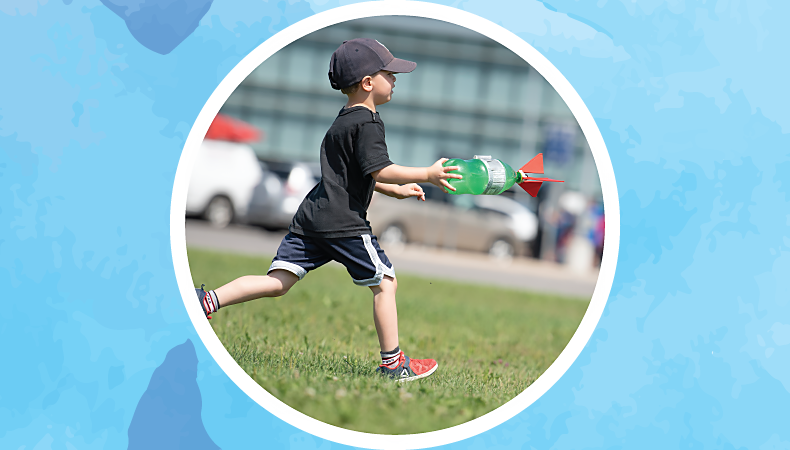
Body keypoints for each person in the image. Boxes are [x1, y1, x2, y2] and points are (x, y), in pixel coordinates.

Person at [195, 38, 462, 382]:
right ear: (368, 83)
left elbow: (355, 174)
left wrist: (392, 190)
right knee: (386, 284)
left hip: (312, 218)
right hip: (343, 222)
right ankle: (394, 365)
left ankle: (206, 300)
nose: (395, 79)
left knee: (277, 282)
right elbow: (380, 168)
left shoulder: (344, 120)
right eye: (390, 73)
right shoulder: (368, 123)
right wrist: (427, 173)